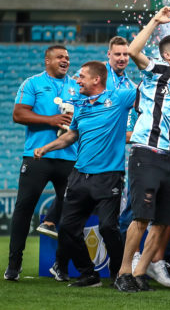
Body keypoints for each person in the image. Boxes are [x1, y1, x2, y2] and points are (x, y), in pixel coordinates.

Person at [34, 61, 135, 287]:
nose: (77, 80)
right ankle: (88, 274)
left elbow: (148, 89)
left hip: (109, 176)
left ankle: (119, 274)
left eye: (81, 77)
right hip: (79, 176)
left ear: (96, 79)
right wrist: (47, 147)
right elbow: (72, 135)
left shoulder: (118, 98)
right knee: (68, 227)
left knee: (108, 227)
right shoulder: (80, 105)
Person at [115, 7, 170, 293]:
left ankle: (139, 273)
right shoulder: (157, 71)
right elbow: (135, 51)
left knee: (163, 221)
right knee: (141, 216)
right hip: (146, 152)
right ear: (168, 55)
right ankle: (123, 272)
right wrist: (156, 22)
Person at [5, 45, 80, 282]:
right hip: (37, 157)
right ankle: (14, 265)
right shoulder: (33, 83)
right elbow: (18, 114)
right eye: (60, 57)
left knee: (70, 214)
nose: (65, 60)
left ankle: (61, 265)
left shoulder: (77, 86)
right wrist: (51, 120)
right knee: (24, 209)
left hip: (69, 157)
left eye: (67, 57)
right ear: (47, 60)